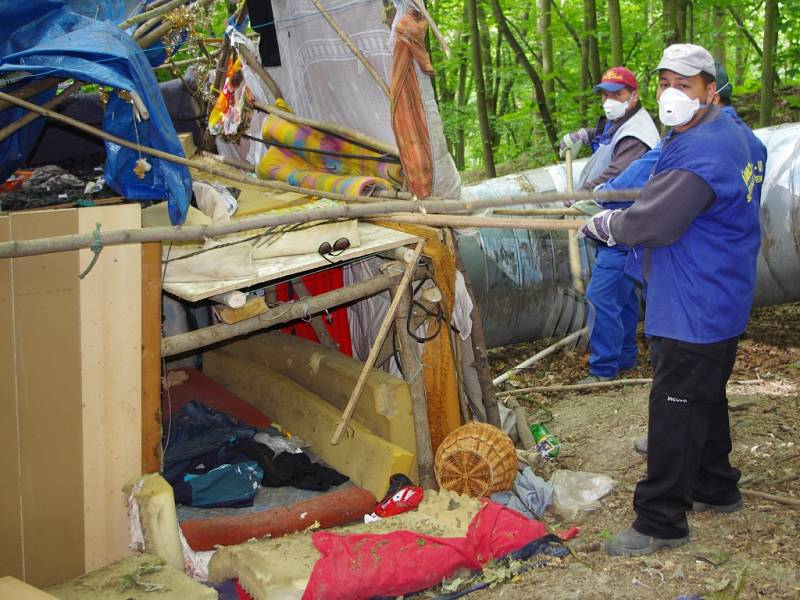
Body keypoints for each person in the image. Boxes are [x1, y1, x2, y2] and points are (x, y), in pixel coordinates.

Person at [579, 43, 767, 556]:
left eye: (684, 85)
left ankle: (660, 520)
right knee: (706, 394)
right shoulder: (735, 136)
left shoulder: (705, 151)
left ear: (711, 88)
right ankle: (716, 485)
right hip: (721, 293)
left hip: (693, 302)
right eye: (664, 83)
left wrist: (611, 225)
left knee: (674, 407)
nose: (670, 95)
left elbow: (656, 222)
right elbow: (672, 195)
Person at [559, 67, 660, 384]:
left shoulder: (637, 136)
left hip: (624, 228)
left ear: (634, 96)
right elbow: (604, 135)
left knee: (601, 297)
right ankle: (625, 358)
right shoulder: (624, 122)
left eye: (616, 94)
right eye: (605, 94)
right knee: (624, 297)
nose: (609, 100)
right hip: (620, 226)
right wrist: (584, 135)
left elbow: (618, 178)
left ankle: (604, 371)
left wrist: (582, 197)